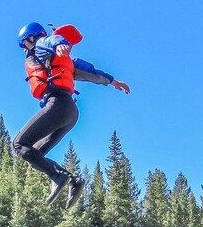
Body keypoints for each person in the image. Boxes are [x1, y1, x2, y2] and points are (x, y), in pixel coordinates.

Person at [13, 22, 130, 208]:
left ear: (31, 38)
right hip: (70, 113)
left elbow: (49, 41)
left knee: (19, 145)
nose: (25, 49)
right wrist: (113, 82)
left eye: (24, 44)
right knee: (35, 153)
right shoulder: (63, 62)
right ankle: (73, 181)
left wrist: (59, 43)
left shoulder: (41, 46)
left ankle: (58, 177)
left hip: (57, 105)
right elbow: (91, 72)